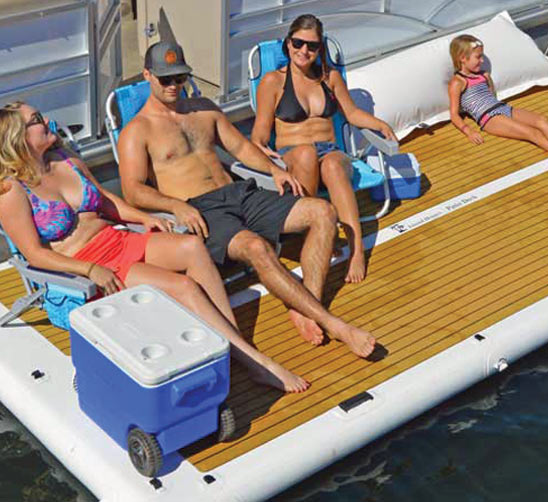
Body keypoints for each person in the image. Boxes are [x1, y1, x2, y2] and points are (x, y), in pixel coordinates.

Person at [0, 101, 308, 393]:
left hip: (118, 240)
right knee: (184, 287)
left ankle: (231, 347)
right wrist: (90, 269)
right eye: (37, 119)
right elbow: (35, 254)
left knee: (193, 247)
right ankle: (252, 361)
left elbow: (106, 202)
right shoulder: (11, 191)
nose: (47, 120)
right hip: (88, 268)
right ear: (17, 136)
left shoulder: (66, 160)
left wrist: (144, 218)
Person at [118, 40, 377, 358]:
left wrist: (273, 169)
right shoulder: (137, 131)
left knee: (322, 212)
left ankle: (306, 305)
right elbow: (132, 190)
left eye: (179, 77)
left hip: (240, 193)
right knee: (257, 247)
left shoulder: (205, 109)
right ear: (147, 75)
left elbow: (239, 148)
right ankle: (335, 325)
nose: (174, 85)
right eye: (165, 79)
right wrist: (176, 206)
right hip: (201, 209)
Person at [251, 15, 396, 284]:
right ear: (288, 43)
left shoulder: (329, 78)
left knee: (331, 165)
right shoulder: (273, 81)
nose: (304, 51)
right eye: (298, 43)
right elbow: (260, 130)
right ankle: (316, 236)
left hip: (330, 150)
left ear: (320, 49)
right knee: (306, 153)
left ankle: (356, 250)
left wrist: (380, 124)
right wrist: (261, 149)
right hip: (293, 153)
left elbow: (351, 113)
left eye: (312, 46)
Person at [447, 33, 548, 165]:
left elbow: (492, 96)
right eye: (477, 57)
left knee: (541, 120)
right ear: (463, 58)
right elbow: (454, 114)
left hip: (502, 107)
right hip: (488, 118)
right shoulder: (458, 82)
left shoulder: (484, 75)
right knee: (531, 133)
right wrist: (468, 131)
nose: (481, 61)